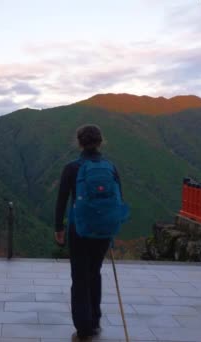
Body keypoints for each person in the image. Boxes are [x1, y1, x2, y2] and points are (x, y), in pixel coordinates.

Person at [54, 124, 124, 341]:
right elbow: (118, 198)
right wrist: (112, 227)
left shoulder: (72, 168)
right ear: (101, 142)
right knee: (95, 272)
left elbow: (62, 200)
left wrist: (59, 228)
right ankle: (95, 321)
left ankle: (83, 328)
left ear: (79, 142)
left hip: (80, 229)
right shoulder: (110, 167)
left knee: (80, 276)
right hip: (103, 230)